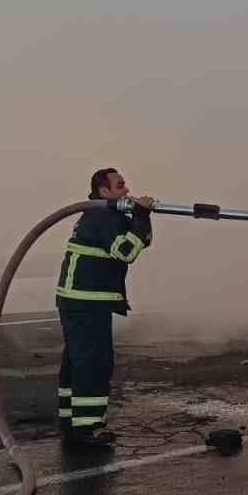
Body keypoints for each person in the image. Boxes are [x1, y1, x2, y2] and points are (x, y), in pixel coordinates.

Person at [56, 168, 154, 447]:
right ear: (104, 191)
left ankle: (71, 420)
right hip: (87, 301)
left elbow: (142, 241)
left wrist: (141, 215)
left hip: (79, 300)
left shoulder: (103, 215)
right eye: (120, 186)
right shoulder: (102, 216)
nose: (127, 190)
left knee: (77, 360)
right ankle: (88, 428)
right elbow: (126, 252)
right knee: (93, 363)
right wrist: (141, 214)